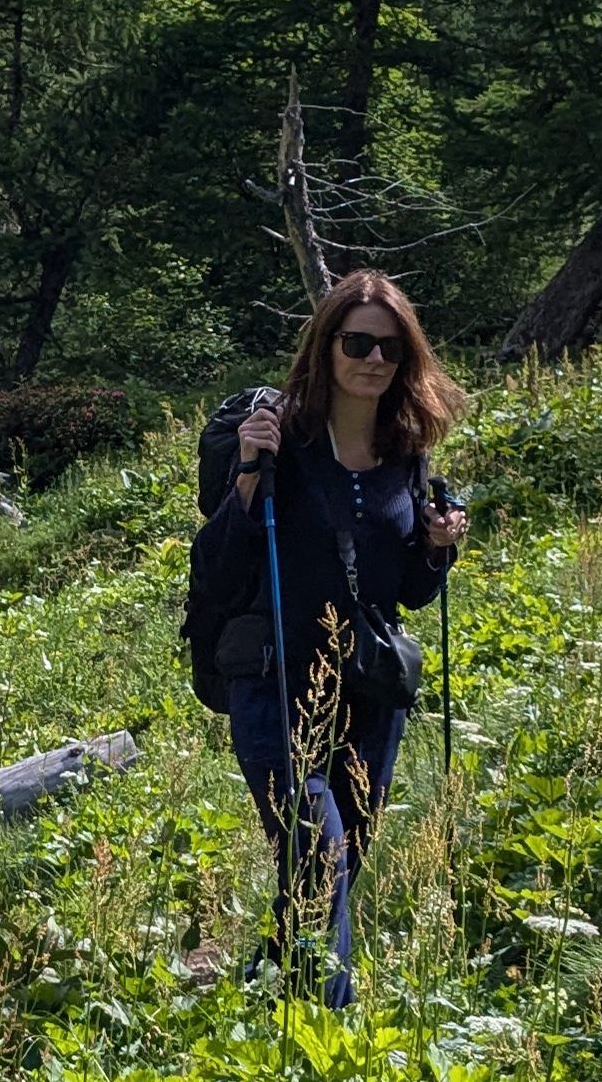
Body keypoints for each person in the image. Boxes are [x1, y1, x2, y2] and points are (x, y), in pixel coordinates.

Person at [191, 269, 468, 1006]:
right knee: (319, 852)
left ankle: (264, 989)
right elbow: (216, 567)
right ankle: (326, 1032)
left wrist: (437, 547)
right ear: (326, 346)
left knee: (335, 860)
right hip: (275, 680)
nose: (373, 360)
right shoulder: (282, 443)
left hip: (370, 691)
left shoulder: (405, 453)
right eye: (357, 342)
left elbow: (406, 591)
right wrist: (250, 476)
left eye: (390, 350)